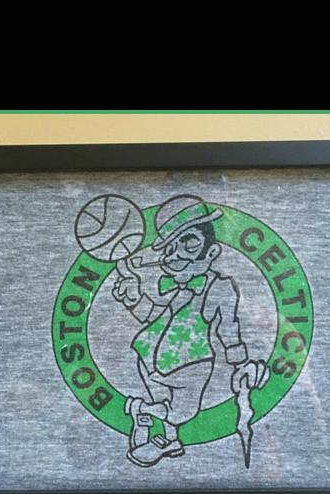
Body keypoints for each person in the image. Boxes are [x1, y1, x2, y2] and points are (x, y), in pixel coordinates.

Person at [112, 195, 270, 467]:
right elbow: (151, 316)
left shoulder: (220, 288)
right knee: (164, 401)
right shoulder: (173, 288)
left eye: (189, 243)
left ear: (211, 252)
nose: (176, 255)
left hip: (189, 363)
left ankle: (141, 411)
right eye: (170, 249)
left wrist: (242, 364)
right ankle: (169, 441)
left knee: (182, 412)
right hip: (147, 354)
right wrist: (133, 297)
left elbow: (229, 330)